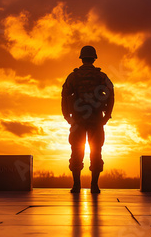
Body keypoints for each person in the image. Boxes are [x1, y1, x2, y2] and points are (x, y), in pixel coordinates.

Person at [61, 45, 115, 193]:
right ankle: (94, 185)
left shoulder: (74, 76)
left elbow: (64, 95)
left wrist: (67, 116)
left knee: (76, 152)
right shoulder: (101, 76)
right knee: (96, 152)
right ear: (94, 58)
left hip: (78, 120)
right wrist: (106, 116)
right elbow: (111, 94)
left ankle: (76, 185)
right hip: (96, 120)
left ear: (82, 58)